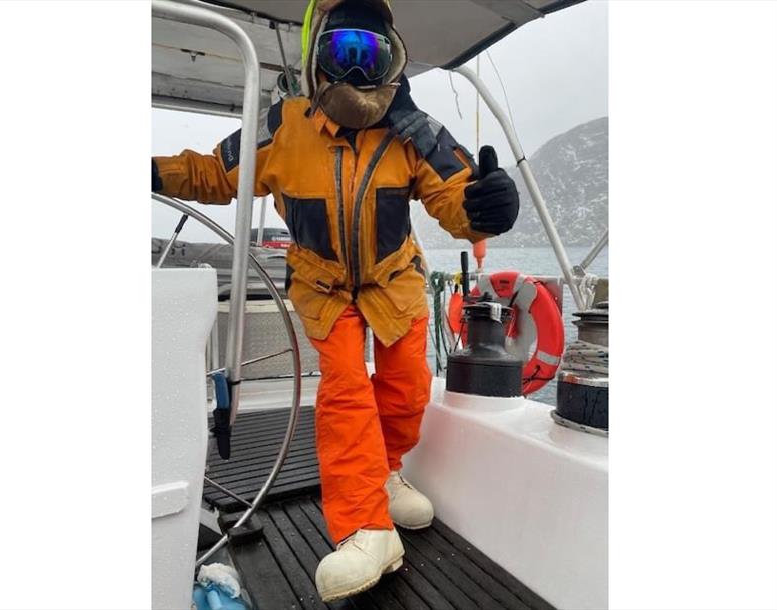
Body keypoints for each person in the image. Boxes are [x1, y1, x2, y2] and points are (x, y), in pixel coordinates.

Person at [152, 0, 519, 601]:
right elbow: (215, 174)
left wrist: (484, 209)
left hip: (395, 280)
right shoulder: (282, 127)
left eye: (369, 55)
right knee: (346, 394)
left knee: (406, 389)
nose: (354, 72)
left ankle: (388, 470)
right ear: (318, 58)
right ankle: (365, 527)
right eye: (341, 53)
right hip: (323, 286)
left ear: (392, 62)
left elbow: (454, 195)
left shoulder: (413, 131)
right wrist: (150, 172)